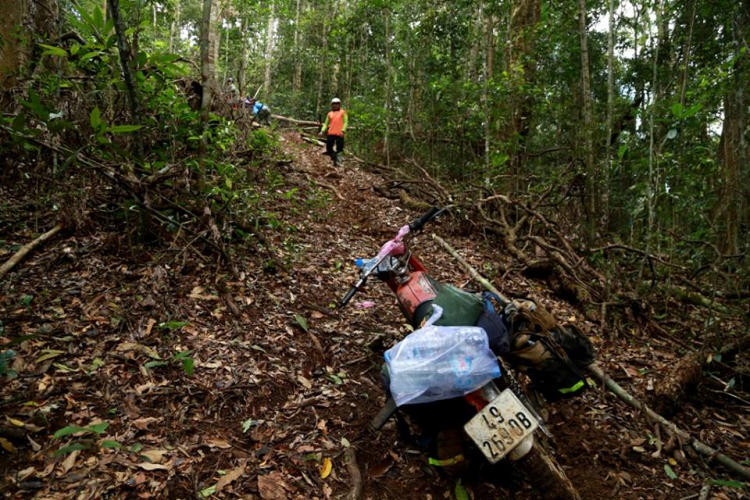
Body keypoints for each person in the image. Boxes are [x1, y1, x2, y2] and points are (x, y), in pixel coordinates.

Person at [320, 97, 348, 166]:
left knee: (340, 148)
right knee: (329, 148)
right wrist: (322, 131)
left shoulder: (343, 112)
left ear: (339, 105)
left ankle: (338, 163)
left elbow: (345, 122)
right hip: (331, 133)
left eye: (337, 104)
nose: (335, 105)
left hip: (339, 134)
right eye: (334, 104)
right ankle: (334, 157)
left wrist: (343, 131)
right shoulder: (329, 114)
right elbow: (326, 124)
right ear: (332, 105)